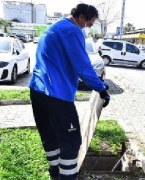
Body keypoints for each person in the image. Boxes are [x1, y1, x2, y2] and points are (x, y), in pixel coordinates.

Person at [29, 3, 110, 180]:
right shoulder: (72, 31)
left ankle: (55, 174)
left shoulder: (54, 28)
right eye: (89, 23)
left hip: (37, 90)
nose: (88, 27)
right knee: (71, 142)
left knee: (50, 137)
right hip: (56, 94)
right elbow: (83, 66)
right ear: (81, 17)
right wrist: (101, 88)